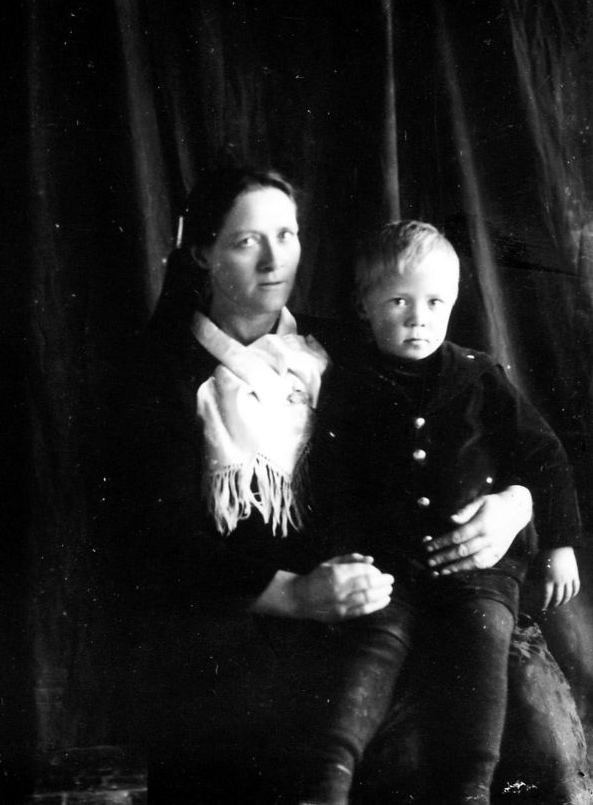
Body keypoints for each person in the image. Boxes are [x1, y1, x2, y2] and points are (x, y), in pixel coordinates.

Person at [111, 171, 535, 804]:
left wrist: (513, 505)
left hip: (381, 596)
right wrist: (295, 593)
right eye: (246, 241)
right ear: (201, 251)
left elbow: (470, 440)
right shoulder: (158, 374)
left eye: (286, 235)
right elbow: (155, 547)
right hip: (244, 618)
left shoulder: (349, 342)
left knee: (530, 737)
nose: (273, 260)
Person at [304, 220, 581, 805]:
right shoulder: (347, 381)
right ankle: (327, 780)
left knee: (483, 644)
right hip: (387, 566)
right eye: (398, 302)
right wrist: (343, 550)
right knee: (371, 649)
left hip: (480, 571)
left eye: (435, 302)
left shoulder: (480, 375)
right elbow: (330, 479)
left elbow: (544, 454)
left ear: (454, 301)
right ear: (364, 305)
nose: (418, 318)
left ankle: (470, 787)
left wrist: (559, 544)